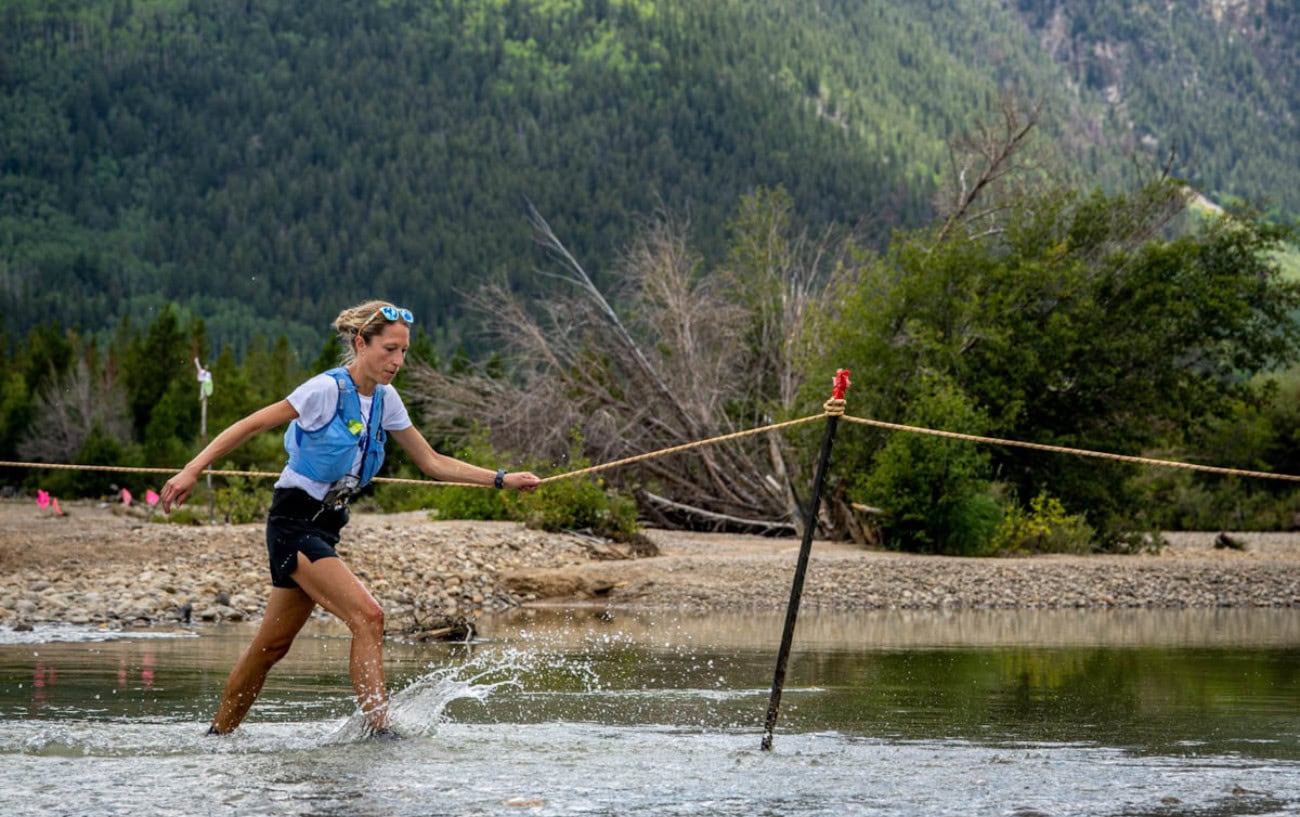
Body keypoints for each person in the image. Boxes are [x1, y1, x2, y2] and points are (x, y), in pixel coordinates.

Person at [160, 300, 540, 737]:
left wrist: (501, 479)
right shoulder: (324, 390)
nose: (397, 361)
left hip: (325, 526)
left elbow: (431, 461)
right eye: (389, 349)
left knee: (271, 647)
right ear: (362, 343)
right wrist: (193, 468)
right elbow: (249, 424)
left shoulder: (386, 401)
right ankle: (379, 730)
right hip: (293, 523)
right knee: (368, 616)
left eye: (403, 352)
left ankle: (217, 736)